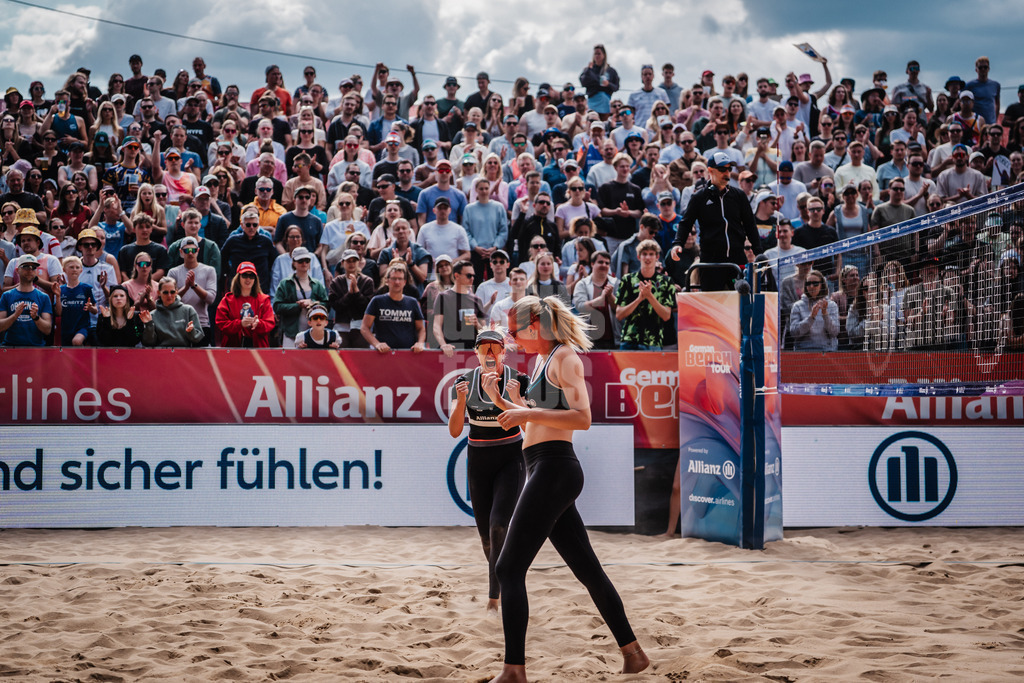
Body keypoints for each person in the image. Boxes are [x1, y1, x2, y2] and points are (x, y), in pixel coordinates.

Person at [487, 295, 648, 682]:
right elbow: (533, 426)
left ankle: (513, 671)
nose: (510, 338)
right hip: (541, 465)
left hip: (556, 469)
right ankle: (634, 654)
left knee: (508, 568)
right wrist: (503, 401)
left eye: (514, 329)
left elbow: (582, 418)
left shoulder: (565, 357)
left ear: (536, 324)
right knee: (587, 569)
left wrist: (525, 410)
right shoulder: (541, 361)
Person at [447, 329, 529, 614]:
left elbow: (529, 427)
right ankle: (501, 584)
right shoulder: (463, 382)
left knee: (498, 527)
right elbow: (455, 430)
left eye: (496, 348)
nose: (491, 354)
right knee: (485, 536)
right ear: (476, 353)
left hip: (511, 457)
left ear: (504, 353)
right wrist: (460, 404)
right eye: (485, 349)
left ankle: (495, 596)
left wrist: (517, 400)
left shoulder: (518, 380)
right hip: (478, 457)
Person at [670, 152, 761, 291]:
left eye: (729, 169)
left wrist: (758, 251)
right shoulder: (699, 197)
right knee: (712, 306)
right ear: (710, 171)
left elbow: (750, 225)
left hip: (737, 260)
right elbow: (685, 223)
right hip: (711, 262)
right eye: (722, 169)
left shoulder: (739, 195)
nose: (727, 173)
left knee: (742, 302)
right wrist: (677, 243)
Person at [361, 261, 426, 352]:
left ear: (404, 282)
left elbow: (421, 328)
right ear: (387, 281)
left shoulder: (412, 302)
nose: (397, 282)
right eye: (394, 278)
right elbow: (364, 328)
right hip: (383, 354)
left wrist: (420, 343)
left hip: (408, 354)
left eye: (400, 279)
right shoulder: (377, 301)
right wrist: (377, 344)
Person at [273, 246, 329, 348]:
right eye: (300, 261)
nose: (304, 263)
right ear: (294, 262)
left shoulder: (317, 284)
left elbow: (327, 304)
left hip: (314, 334)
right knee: (289, 362)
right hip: (291, 333)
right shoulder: (285, 283)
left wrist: (313, 303)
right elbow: (277, 306)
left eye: (307, 260)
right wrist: (297, 306)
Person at [169, 236, 218, 344]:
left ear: (198, 251)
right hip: (179, 323)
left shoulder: (209, 270)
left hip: (201, 323)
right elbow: (169, 299)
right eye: (187, 250)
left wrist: (194, 286)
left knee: (201, 359)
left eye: (193, 250)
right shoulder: (174, 272)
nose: (190, 253)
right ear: (181, 252)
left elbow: (211, 299)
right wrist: (186, 287)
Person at [215, 261, 275, 348]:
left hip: (258, 348)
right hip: (233, 349)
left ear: (255, 279)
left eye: (251, 276)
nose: (248, 279)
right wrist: (240, 324)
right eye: (244, 275)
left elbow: (270, 323)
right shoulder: (227, 300)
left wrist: (258, 324)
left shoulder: (264, 300)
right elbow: (221, 323)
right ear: (238, 278)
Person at [433, 259, 485, 355]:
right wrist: (443, 345)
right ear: (457, 276)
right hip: (450, 351)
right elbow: (436, 325)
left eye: (473, 275)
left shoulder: (477, 300)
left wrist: (477, 324)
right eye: (469, 275)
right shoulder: (443, 297)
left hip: (472, 353)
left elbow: (485, 331)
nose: (472, 278)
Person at [0, 254, 53, 346]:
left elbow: (47, 330)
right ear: (17, 270)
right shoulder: (7, 296)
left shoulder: (43, 297)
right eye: (26, 266)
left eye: (33, 267)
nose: (30, 270)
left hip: (36, 348)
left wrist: (36, 317)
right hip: (11, 347)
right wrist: (15, 315)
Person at [328, 248, 374, 348]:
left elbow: (368, 306)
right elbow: (335, 305)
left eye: (354, 261)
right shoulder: (336, 282)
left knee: (361, 359)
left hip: (361, 327)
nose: (351, 264)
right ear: (342, 263)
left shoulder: (367, 281)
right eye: (348, 261)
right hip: (341, 327)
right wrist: (349, 294)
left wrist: (357, 292)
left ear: (358, 262)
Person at [142, 276, 205, 347]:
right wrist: (149, 325)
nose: (169, 295)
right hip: (161, 355)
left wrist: (191, 331)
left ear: (177, 292)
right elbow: (148, 343)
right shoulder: (152, 315)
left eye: (172, 292)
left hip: (184, 354)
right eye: (165, 292)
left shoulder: (188, 310)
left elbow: (198, 338)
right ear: (159, 293)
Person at [788, 269, 839, 351]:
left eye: (815, 283)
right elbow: (794, 333)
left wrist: (825, 314)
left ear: (822, 285)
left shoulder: (832, 305)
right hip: (803, 351)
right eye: (808, 283)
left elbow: (834, 332)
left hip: (827, 351)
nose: (811, 286)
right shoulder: (797, 306)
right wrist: (811, 317)